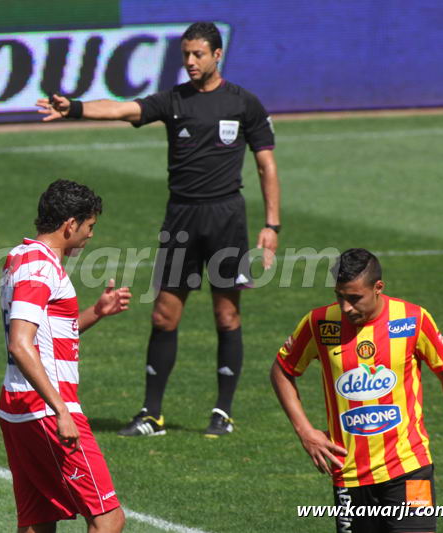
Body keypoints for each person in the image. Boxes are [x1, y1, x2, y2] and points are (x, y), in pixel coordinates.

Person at [36, 21, 280, 438]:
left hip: (226, 218)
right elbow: (122, 108)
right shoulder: (173, 101)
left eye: (198, 54)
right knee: (164, 315)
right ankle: (151, 414)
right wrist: (74, 108)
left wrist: (271, 225)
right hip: (181, 219)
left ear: (217, 55)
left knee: (226, 314)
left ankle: (222, 412)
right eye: (185, 54)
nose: (190, 62)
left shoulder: (244, 104)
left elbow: (265, 165)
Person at [270, 248, 443, 533]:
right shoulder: (319, 323)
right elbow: (282, 370)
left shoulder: (413, 319)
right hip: (349, 474)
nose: (346, 306)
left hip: (411, 468)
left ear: (378, 288)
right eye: (340, 296)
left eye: (354, 298)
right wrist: (305, 431)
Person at [0, 179, 131, 533]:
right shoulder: (40, 267)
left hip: (19, 407)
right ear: (70, 224)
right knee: (108, 518)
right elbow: (20, 343)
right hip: (45, 408)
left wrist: (96, 312)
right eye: (89, 226)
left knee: (38, 521)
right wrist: (61, 410)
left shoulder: (21, 258)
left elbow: (44, 336)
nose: (90, 236)